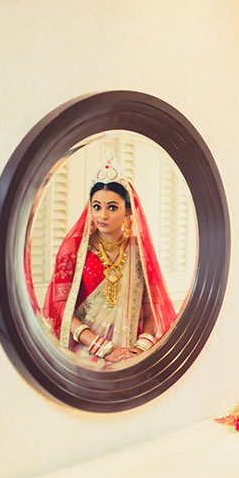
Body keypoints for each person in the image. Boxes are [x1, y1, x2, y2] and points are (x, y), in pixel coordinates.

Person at [38, 154, 178, 363]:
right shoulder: (75, 249)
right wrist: (104, 349)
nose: (102, 215)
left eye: (112, 207)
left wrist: (139, 350)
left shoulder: (139, 250)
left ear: (128, 211)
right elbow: (61, 310)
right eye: (97, 206)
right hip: (87, 353)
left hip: (131, 353)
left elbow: (151, 310)